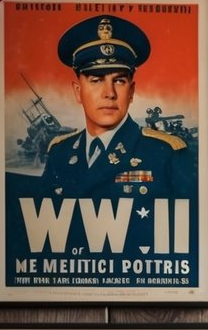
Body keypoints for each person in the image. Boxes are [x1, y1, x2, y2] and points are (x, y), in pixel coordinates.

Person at [39, 14, 194, 200]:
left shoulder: (165, 153)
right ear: (78, 91)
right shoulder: (59, 153)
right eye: (96, 80)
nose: (109, 93)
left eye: (119, 81)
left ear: (131, 91)